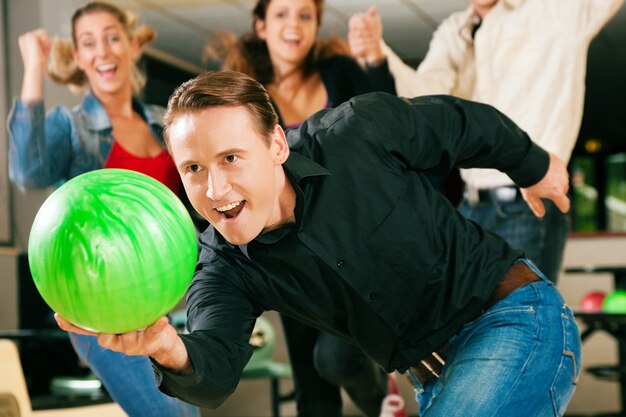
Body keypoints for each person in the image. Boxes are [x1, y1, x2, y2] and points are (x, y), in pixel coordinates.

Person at [57, 70, 580, 417]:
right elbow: (215, 370)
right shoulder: (221, 264)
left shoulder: (359, 132)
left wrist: (534, 167)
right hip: (434, 377)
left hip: (513, 318)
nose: (215, 191)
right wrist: (166, 347)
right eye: (193, 168)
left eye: (231, 159)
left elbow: (463, 125)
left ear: (277, 143)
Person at [205, 1, 401, 416]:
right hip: (284, 248)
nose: (293, 24)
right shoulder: (242, 97)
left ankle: (385, 403)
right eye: (281, 14)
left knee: (337, 358)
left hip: (351, 241)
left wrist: (375, 61)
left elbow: (388, 125)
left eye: (305, 15)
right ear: (261, 25)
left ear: (315, 26)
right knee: (311, 386)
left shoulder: (341, 74)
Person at [7, 2, 200, 417]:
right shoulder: (71, 127)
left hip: (167, 298)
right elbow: (27, 169)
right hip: (105, 307)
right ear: (77, 57)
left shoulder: (162, 122)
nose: (102, 52)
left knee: (187, 413)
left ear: (131, 45)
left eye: (112, 37)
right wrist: (33, 69)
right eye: (88, 43)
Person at [348, 0, 624, 283]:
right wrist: (378, 54)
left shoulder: (552, 10)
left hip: (526, 203)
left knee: (522, 316)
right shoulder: (455, 30)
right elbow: (426, 99)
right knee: (463, 319)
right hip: (471, 203)